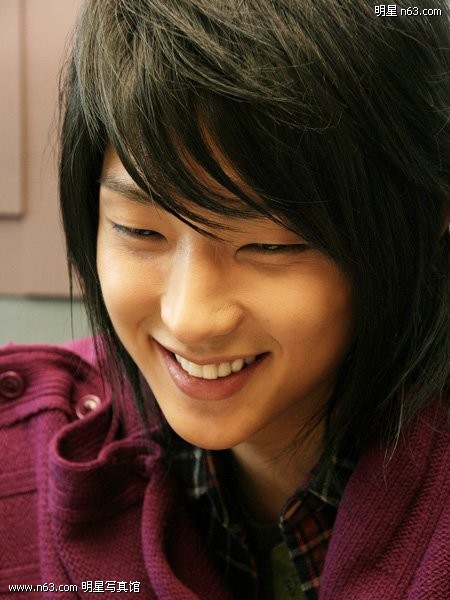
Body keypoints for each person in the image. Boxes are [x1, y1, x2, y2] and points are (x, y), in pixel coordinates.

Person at [1, 0, 449, 598]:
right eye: (140, 232)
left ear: (428, 218)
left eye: (269, 245)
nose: (189, 318)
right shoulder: (20, 458)